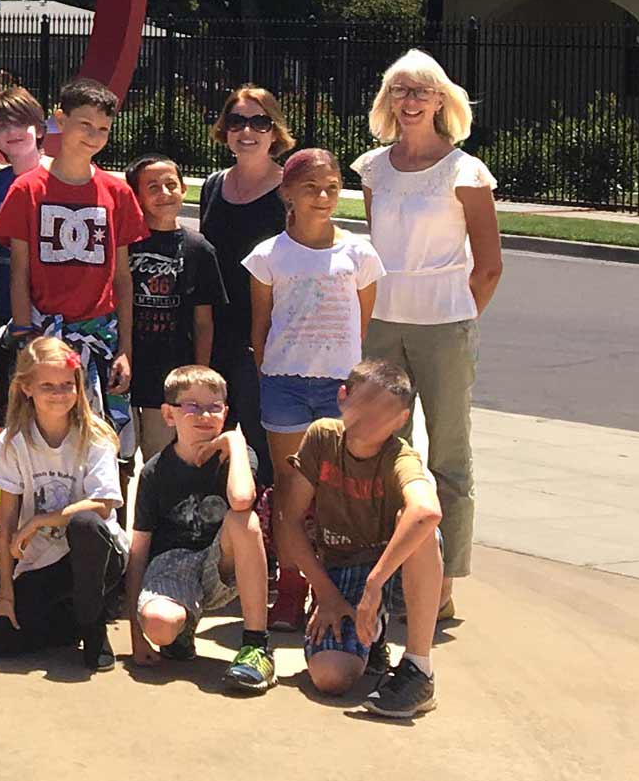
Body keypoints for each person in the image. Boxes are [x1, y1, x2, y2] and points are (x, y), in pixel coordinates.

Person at [355, 49, 500, 616]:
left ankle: (441, 581)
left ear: (441, 100)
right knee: (385, 448)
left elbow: (488, 265)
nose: (410, 101)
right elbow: (375, 247)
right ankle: (392, 569)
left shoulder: (465, 172)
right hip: (383, 323)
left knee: (448, 455)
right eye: (400, 91)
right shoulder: (373, 169)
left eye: (421, 91)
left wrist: (458, 319)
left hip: (444, 324)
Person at [274, 358, 446, 719]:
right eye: (364, 404)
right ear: (342, 397)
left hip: (393, 573)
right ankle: (373, 641)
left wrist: (374, 585)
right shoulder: (322, 437)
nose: (371, 419)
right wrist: (327, 595)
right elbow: (289, 521)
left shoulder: (400, 456)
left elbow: (427, 510)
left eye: (386, 413)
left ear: (402, 420)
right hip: (341, 569)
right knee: (330, 676)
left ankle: (419, 668)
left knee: (420, 528)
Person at [0, 77, 140, 418]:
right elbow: (19, 271)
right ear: (59, 119)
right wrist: (27, 339)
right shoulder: (26, 190)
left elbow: (123, 279)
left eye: (103, 128)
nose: (93, 135)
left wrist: (125, 349)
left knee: (97, 439)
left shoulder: (118, 194)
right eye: (84, 124)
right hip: (44, 337)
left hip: (99, 335)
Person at [0, 333, 127, 668]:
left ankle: (93, 626)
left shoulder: (96, 435)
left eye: (67, 385)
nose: (60, 394)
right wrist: (6, 593)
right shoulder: (13, 441)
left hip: (97, 556)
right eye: (48, 386)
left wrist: (41, 520)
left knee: (84, 523)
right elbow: (8, 523)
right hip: (41, 560)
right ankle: (67, 624)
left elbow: (102, 505)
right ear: (26, 388)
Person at [125, 364, 274, 693]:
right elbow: (138, 551)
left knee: (244, 519)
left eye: (214, 407)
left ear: (226, 413)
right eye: (191, 406)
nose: (204, 415)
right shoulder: (155, 471)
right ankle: (179, 633)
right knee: (160, 626)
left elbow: (241, 498)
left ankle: (256, 647)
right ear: (168, 414)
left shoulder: (236, 458)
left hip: (220, 562)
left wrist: (235, 443)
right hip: (171, 566)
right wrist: (138, 637)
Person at [245, 148, 384, 481]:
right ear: (287, 191)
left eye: (332, 187)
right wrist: (270, 373)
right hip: (284, 385)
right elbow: (260, 326)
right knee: (290, 480)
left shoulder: (359, 252)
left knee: (334, 482)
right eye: (310, 187)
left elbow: (361, 324)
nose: (323, 196)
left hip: (338, 386)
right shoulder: (267, 255)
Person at [196, 85, 291, 463]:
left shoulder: (289, 191)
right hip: (214, 331)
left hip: (265, 334)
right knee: (208, 441)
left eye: (259, 122)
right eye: (237, 121)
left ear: (275, 130)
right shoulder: (213, 186)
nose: (247, 131)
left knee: (263, 444)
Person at [124, 153, 221, 457]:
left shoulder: (199, 249)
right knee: (117, 461)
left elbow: (204, 321)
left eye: (170, 184)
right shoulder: (123, 243)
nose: (164, 193)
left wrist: (200, 375)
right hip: (123, 373)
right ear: (136, 196)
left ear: (183, 189)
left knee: (161, 458)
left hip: (169, 379)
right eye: (152, 187)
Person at [0, 84, 48, 424]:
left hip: (49, 304)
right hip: (8, 298)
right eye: (2, 126)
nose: (12, 132)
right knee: (15, 400)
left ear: (39, 127)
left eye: (19, 122)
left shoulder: (58, 175)